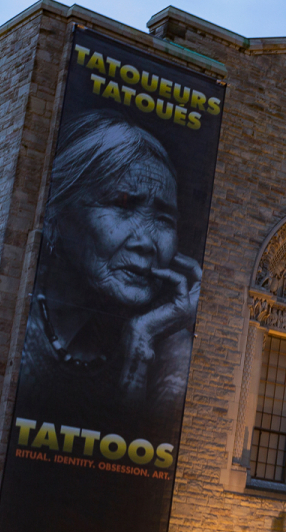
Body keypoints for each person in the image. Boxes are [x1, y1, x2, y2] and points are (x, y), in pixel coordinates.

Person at [17, 110, 201, 427]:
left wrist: (140, 341)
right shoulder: (13, 320)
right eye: (123, 205)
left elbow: (135, 458)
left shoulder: (171, 347)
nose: (146, 242)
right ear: (56, 214)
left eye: (163, 219)